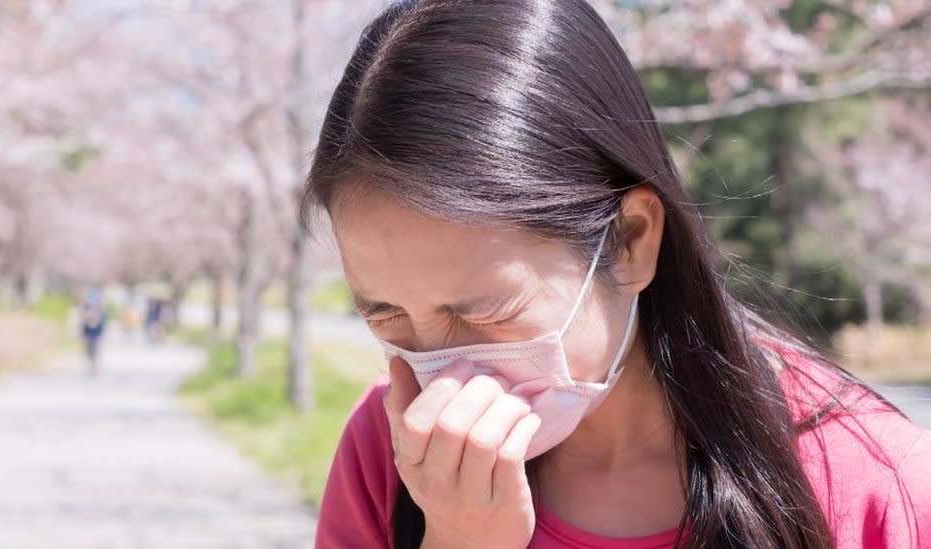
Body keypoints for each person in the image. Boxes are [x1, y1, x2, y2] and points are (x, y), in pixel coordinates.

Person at [302, 1, 931, 548]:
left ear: (631, 242)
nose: (445, 382)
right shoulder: (388, 456)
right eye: (385, 316)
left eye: (482, 313)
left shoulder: (872, 480)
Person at [79, 288, 108, 377]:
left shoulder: (101, 313)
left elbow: (103, 326)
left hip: (96, 336)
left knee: (95, 353)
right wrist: (82, 335)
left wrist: (103, 335)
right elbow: (83, 326)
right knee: (90, 354)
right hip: (89, 335)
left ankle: (95, 369)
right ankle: (92, 369)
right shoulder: (85, 312)